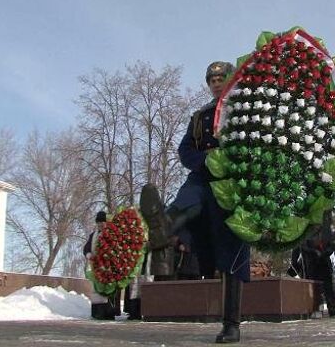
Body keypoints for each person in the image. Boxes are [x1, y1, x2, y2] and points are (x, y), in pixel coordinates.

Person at [139, 61, 250, 344]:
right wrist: (206, 161)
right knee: (189, 197)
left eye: (220, 77)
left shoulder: (244, 109)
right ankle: (164, 226)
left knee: (231, 255)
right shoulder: (200, 116)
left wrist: (229, 163)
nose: (215, 82)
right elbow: (185, 149)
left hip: (233, 184)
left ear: (230, 79)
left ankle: (231, 324)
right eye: (211, 79)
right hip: (203, 177)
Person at [84, 211, 121, 320]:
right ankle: (97, 313)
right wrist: (88, 254)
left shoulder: (112, 234)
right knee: (97, 291)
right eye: (99, 223)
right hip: (96, 267)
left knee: (108, 291)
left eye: (102, 223)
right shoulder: (93, 235)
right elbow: (86, 248)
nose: (100, 225)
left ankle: (108, 313)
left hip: (109, 267)